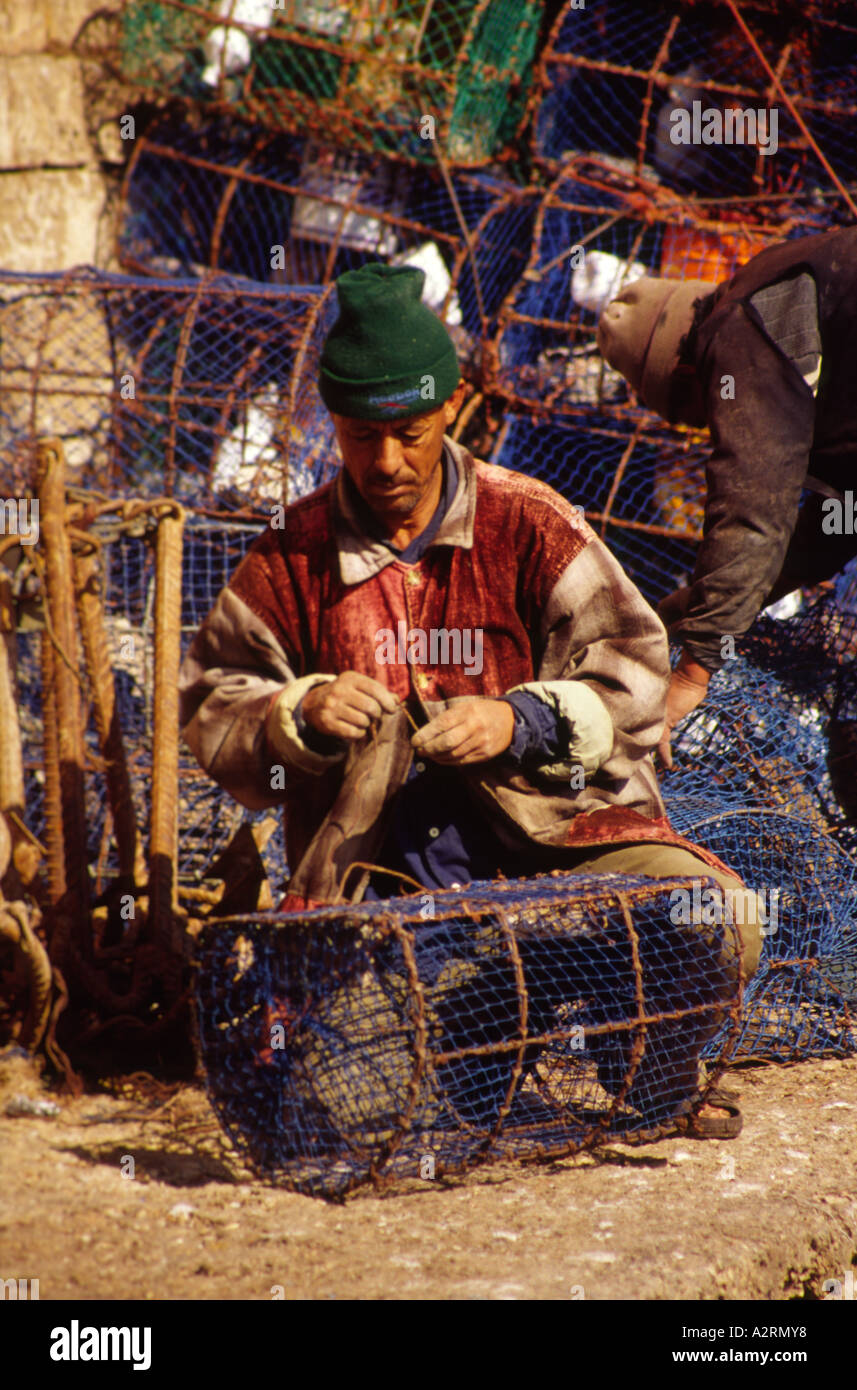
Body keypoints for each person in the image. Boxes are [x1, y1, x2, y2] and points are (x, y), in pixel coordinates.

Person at [179, 262, 760, 1132]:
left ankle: (644, 1070)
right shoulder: (289, 553)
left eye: (408, 433)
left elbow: (636, 677)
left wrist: (520, 720)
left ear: (450, 409)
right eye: (358, 435)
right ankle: (486, 1033)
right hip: (393, 908)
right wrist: (293, 715)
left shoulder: (526, 520)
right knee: (335, 1120)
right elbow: (210, 704)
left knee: (717, 913)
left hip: (561, 857)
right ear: (331, 423)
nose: (385, 462)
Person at [596, 224, 857, 767]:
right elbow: (841, 521)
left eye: (693, 411)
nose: (711, 422)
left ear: (688, 369)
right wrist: (691, 610)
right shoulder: (781, 289)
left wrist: (692, 672)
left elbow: (755, 509)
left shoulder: (738, 329)